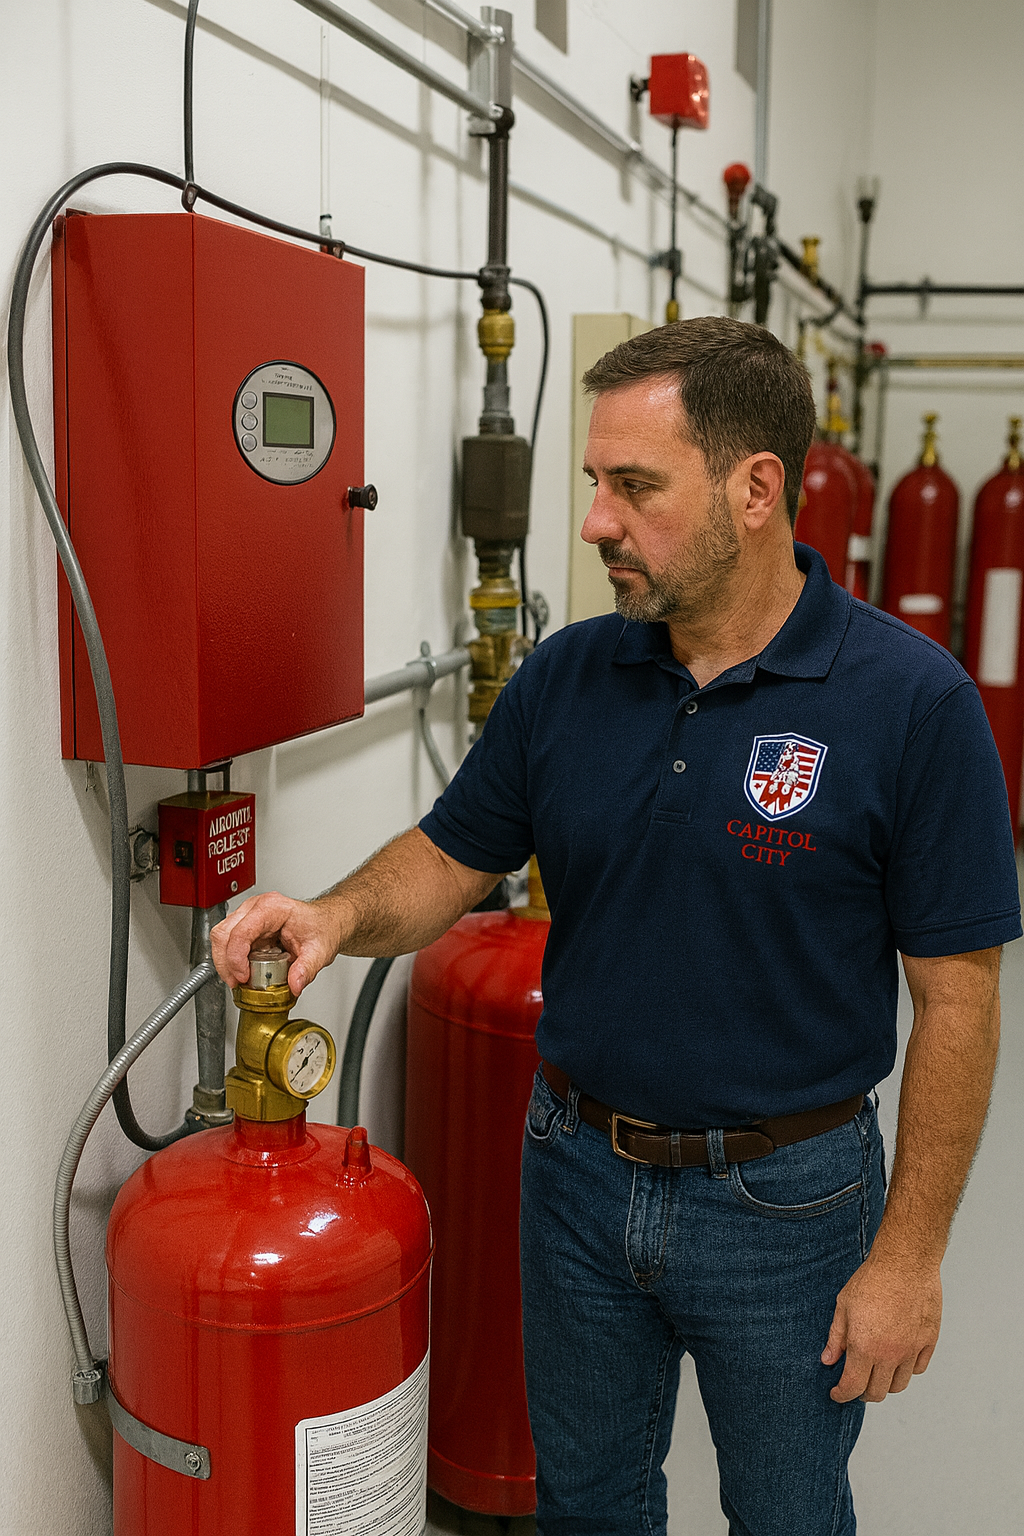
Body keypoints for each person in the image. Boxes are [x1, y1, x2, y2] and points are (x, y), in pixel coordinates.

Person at [212, 318, 1021, 1536]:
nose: (595, 520)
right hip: (576, 1175)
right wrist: (332, 913)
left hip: (787, 1204)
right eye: (595, 482)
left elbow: (957, 998)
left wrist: (907, 1260)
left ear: (755, 491)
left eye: (633, 486)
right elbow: (449, 855)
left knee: (787, 1513)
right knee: (585, 1504)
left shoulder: (912, 703)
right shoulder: (569, 677)